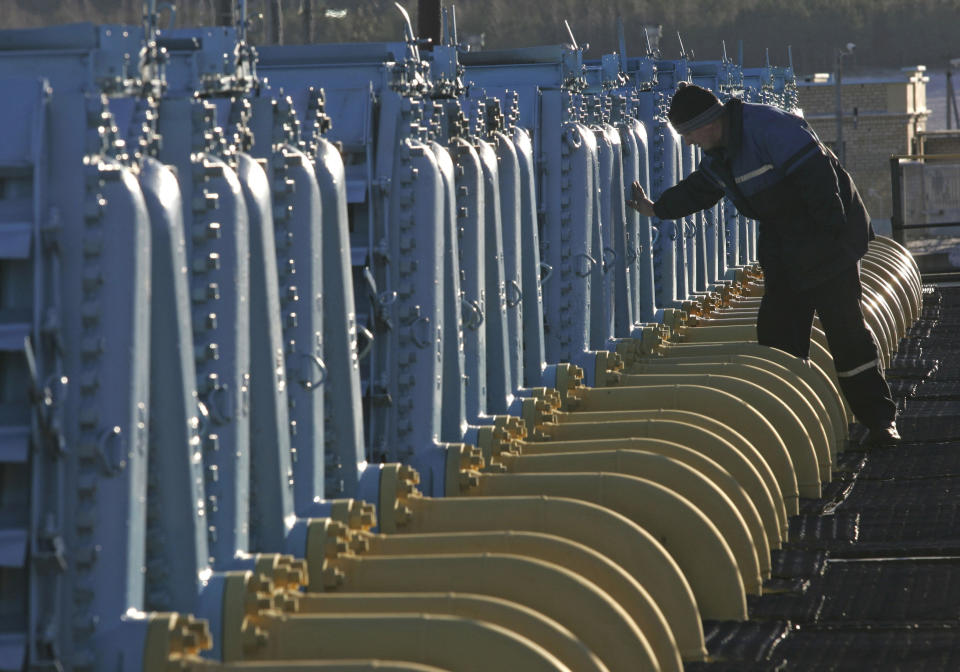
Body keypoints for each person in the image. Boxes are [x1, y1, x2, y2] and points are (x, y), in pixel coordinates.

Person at [626, 82, 900, 447]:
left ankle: (880, 421)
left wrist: (829, 247)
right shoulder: (721, 153)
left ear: (708, 122)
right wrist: (657, 208)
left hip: (827, 235)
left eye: (689, 133)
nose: (688, 142)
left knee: (846, 332)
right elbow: (700, 190)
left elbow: (821, 182)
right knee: (777, 335)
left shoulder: (770, 127)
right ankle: (789, 428)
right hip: (784, 238)